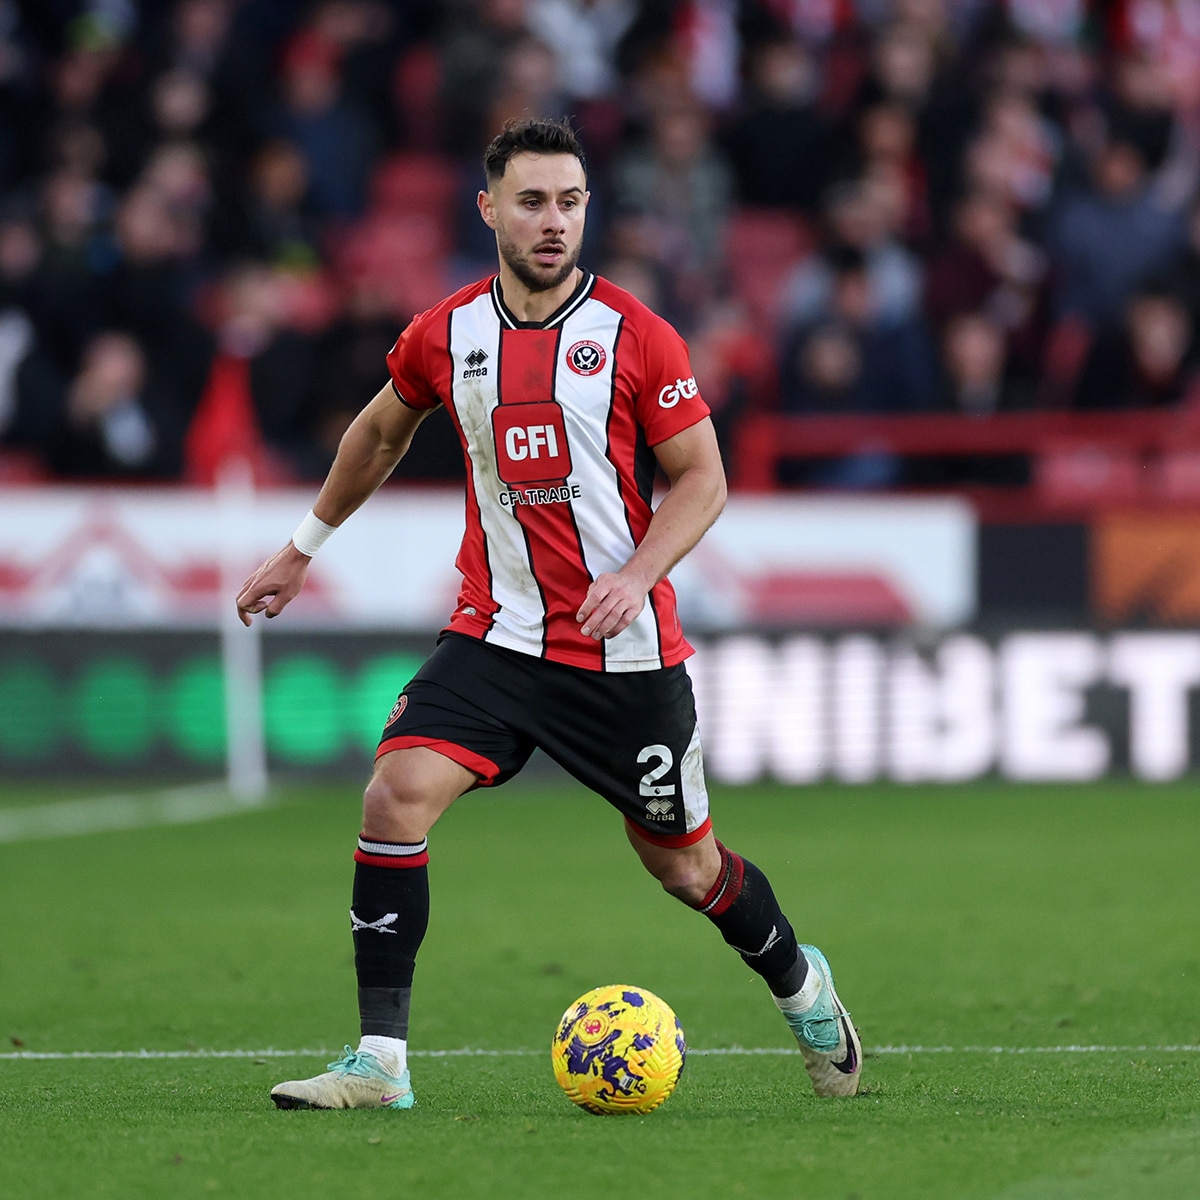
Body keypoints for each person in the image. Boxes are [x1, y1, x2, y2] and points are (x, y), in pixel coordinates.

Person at [235, 117, 861, 1111]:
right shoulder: (447, 333)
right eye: (532, 201)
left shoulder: (636, 337)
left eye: (570, 202)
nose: (554, 222)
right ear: (489, 210)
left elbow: (703, 479)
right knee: (394, 796)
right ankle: (380, 1064)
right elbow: (380, 432)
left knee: (685, 865)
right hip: (497, 635)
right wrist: (302, 546)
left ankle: (802, 986)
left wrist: (639, 570)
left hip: (625, 655)